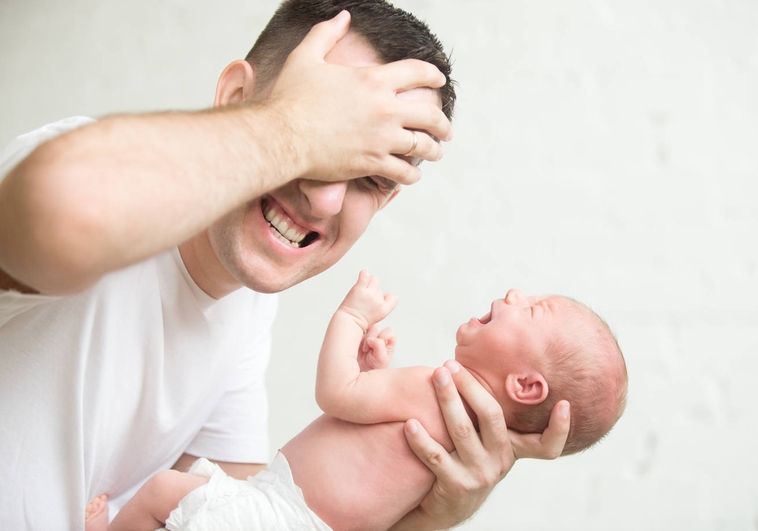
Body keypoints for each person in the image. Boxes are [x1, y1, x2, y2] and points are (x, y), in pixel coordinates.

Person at [0, 1, 571, 529]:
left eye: (368, 175)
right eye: (326, 138)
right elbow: (62, 214)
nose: (326, 200)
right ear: (234, 98)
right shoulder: (84, 169)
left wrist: (422, 516)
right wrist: (292, 129)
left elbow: (250, 514)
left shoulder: (245, 308)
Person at [84, 271, 627, 531]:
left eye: (532, 311)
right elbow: (369, 458)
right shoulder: (455, 444)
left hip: (282, 515)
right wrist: (373, 374)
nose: (515, 295)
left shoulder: (433, 387)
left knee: (163, 493)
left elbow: (336, 394)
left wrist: (351, 318)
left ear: (526, 388)